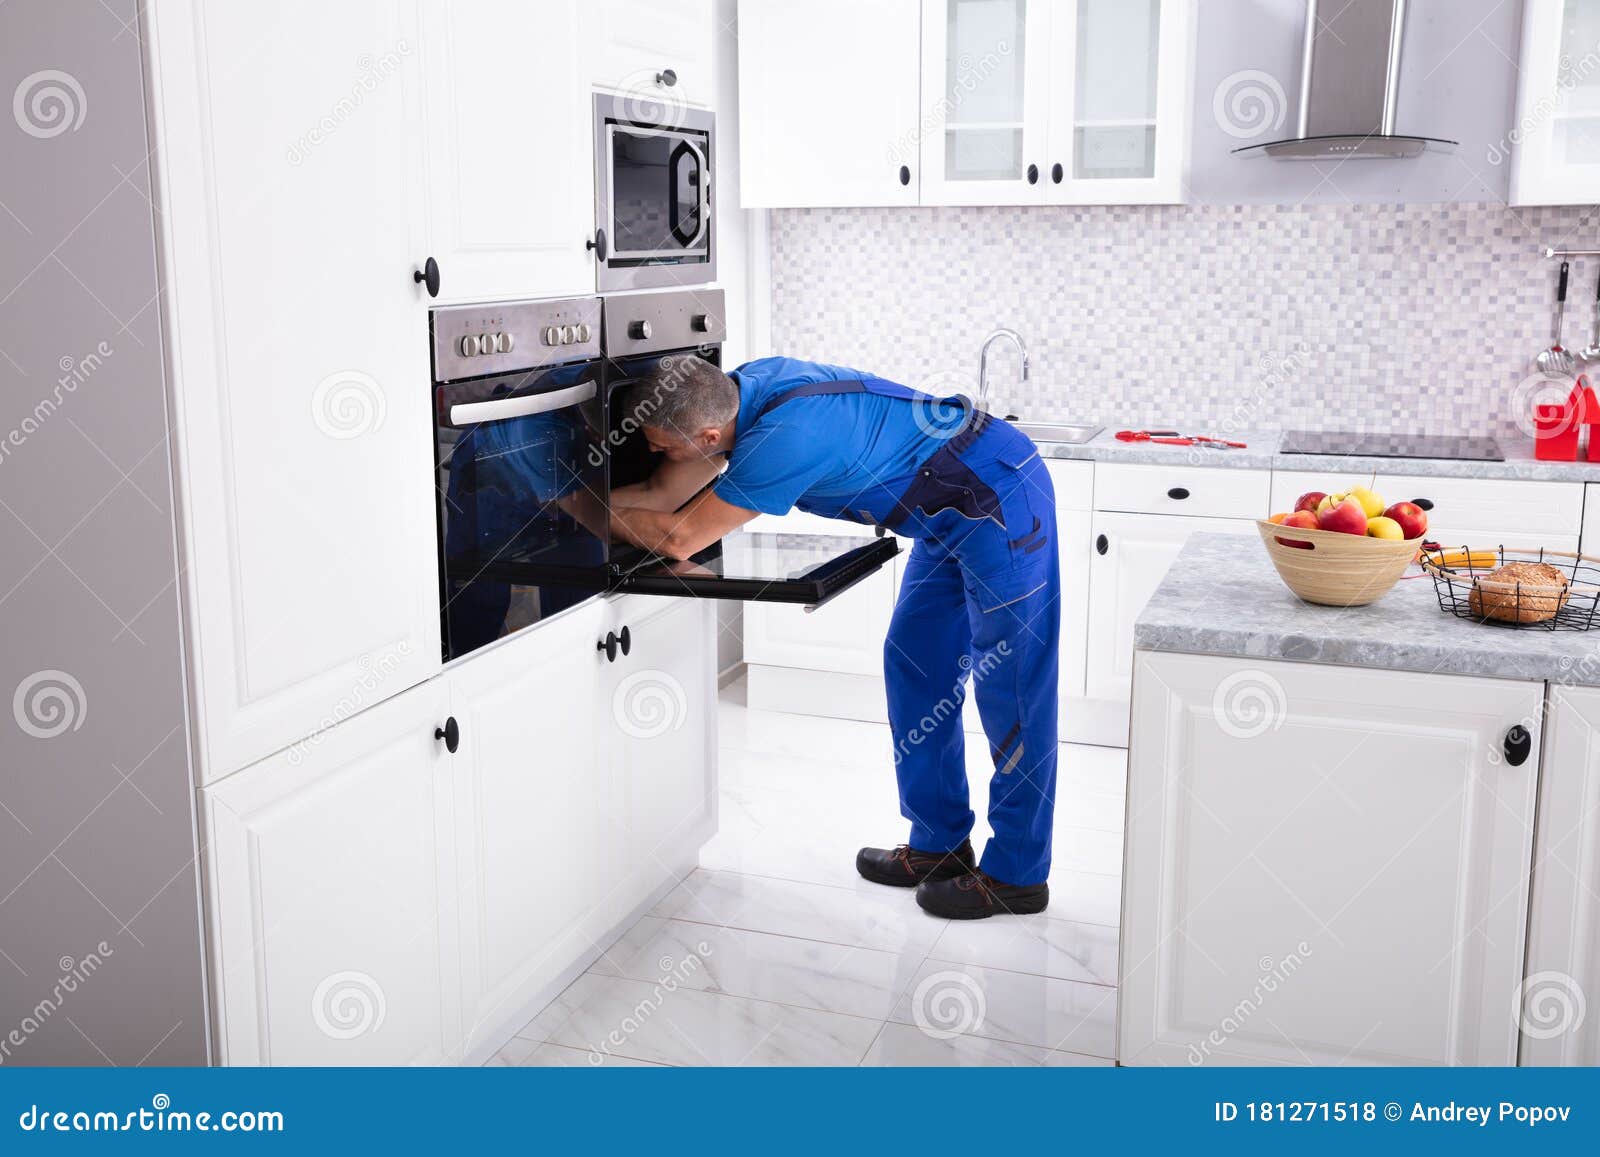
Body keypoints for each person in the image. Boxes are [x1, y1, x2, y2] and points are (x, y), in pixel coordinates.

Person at [610, 355, 1059, 919]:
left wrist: (573, 507)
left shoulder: (784, 438)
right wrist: (552, 505)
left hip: (1000, 498)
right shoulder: (739, 393)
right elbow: (658, 492)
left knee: (1013, 686)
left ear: (706, 435)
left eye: (662, 445)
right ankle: (938, 845)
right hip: (946, 511)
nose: (655, 453)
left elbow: (677, 536)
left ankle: (1017, 875)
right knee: (915, 661)